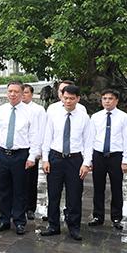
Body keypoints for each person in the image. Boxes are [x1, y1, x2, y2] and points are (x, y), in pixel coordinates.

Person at [0, 82, 41, 235]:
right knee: (5, 189)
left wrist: (32, 156)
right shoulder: (0, 111)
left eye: (16, 92)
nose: (12, 94)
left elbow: (34, 135)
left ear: (22, 94)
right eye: (10, 91)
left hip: (21, 154)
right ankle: (4, 219)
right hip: (2, 153)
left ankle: (19, 221)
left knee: (20, 190)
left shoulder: (29, 112)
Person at [40, 84, 93, 241]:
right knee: (53, 194)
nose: (68, 101)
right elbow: (47, 138)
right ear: (61, 97)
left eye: (72, 98)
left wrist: (86, 163)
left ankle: (74, 227)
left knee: (74, 195)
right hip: (55, 158)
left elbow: (88, 142)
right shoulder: (53, 115)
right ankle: (53, 225)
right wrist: (45, 159)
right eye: (65, 98)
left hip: (75, 160)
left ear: (78, 99)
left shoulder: (84, 117)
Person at [88, 88, 127, 229]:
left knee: (116, 187)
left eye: (110, 98)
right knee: (98, 187)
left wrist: (126, 160)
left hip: (116, 156)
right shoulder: (95, 117)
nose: (107, 101)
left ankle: (116, 217)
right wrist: (89, 160)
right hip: (99, 155)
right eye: (104, 98)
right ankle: (97, 216)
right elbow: (90, 139)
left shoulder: (124, 117)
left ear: (116, 100)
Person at [21, 84, 47, 222]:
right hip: (18, 149)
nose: (23, 95)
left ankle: (30, 208)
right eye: (22, 92)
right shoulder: (15, 108)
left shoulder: (38, 110)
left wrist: (39, 150)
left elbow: (41, 130)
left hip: (33, 149)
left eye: (26, 93)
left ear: (31, 94)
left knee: (31, 180)